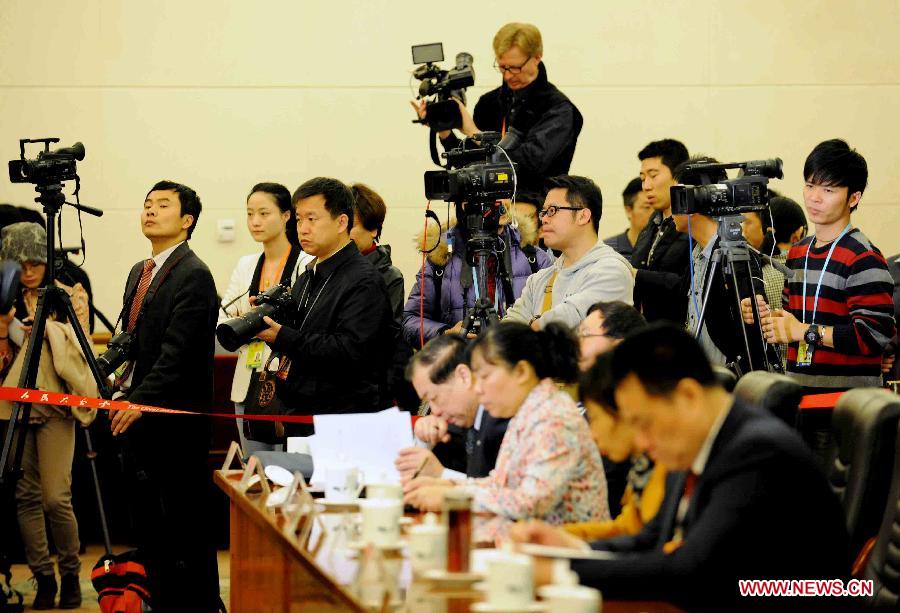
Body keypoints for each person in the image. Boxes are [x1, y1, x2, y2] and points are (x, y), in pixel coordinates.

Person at [510, 325, 850, 610]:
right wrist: (571, 549)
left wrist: (559, 571)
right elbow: (652, 540)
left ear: (687, 396)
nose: (640, 443)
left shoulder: (756, 452)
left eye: (644, 423)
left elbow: (691, 573)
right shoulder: (695, 442)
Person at [746, 140, 895, 465]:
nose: (814, 197)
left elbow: (872, 338)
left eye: (828, 190)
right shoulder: (799, 253)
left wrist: (802, 332)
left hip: (848, 411)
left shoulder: (863, 257)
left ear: (853, 198)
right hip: (801, 401)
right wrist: (765, 318)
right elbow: (791, 319)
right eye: (810, 185)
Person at [108, 180, 221, 610]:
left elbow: (178, 355)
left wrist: (139, 401)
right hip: (137, 417)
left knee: (185, 526)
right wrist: (115, 383)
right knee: (150, 527)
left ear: (187, 220)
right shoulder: (141, 270)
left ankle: (198, 604)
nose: (150, 211)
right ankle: (158, 599)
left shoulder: (194, 274)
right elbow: (131, 340)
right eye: (147, 204)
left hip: (176, 421)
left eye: (163, 205)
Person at [404, 322, 609, 542]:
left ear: (521, 371)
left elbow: (530, 501)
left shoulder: (554, 416)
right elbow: (501, 484)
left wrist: (451, 495)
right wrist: (449, 484)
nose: (478, 388)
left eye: (485, 377)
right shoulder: (529, 411)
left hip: (572, 557)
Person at [0, 222, 94, 610]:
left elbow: (82, 346)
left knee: (56, 497)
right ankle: (43, 578)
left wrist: (47, 329)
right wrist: (6, 329)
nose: (28, 270)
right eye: (19, 262)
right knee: (25, 496)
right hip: (15, 406)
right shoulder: (5, 297)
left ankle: (70, 571)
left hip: (56, 404)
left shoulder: (68, 292)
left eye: (35, 260)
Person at [256, 177, 395, 435]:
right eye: (299, 219)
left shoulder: (364, 280)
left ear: (342, 222)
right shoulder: (309, 274)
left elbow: (349, 350)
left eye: (312, 219)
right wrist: (270, 324)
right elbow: (304, 334)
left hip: (344, 420)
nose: (303, 229)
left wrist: (283, 336)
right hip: (302, 411)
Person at [412, 22, 582, 192]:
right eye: (502, 67)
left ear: (537, 57)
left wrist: (474, 132)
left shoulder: (558, 109)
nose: (508, 75)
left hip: (538, 211)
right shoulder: (489, 103)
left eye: (515, 68)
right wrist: (444, 130)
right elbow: (469, 166)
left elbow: (529, 166)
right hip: (484, 208)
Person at [218, 182, 312, 454]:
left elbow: (305, 320)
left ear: (286, 216)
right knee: (253, 464)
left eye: (263, 213)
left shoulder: (306, 262)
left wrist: (248, 319)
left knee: (291, 464)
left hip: (289, 376)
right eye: (249, 214)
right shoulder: (246, 264)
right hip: (248, 375)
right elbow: (224, 320)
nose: (254, 221)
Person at [402, 199, 550, 347]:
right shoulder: (441, 258)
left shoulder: (534, 258)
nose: (503, 203)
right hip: (461, 362)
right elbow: (411, 320)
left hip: (514, 361)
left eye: (505, 193)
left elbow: (554, 322)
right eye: (494, 196)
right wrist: (445, 334)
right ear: (465, 204)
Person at [673, 157, 772, 371]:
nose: (672, 207)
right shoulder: (695, 253)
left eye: (677, 196)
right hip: (700, 376)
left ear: (696, 200)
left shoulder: (734, 250)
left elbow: (754, 305)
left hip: (732, 380)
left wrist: (753, 306)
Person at [505, 175, 634, 330]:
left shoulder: (612, 271)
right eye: (543, 212)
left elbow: (567, 319)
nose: (544, 219)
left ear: (583, 216)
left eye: (552, 210)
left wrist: (531, 325)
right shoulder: (540, 278)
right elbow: (508, 329)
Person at [563, 353, 667, 542]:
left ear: (624, 409)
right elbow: (627, 529)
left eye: (594, 419)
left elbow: (651, 549)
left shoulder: (671, 463)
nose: (592, 435)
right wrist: (561, 537)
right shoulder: (643, 465)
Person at [394, 334, 508, 481]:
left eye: (434, 398)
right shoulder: (453, 426)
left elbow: (504, 496)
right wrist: (424, 440)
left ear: (464, 376)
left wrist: (440, 474)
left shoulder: (504, 421)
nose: (435, 412)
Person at [631, 139, 691, 323]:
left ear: (678, 176)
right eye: (642, 178)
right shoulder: (652, 224)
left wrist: (636, 275)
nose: (646, 186)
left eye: (653, 175)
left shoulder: (693, 225)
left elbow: (688, 286)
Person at [604, 178, 654, 260]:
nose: (655, 214)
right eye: (647, 207)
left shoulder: (663, 250)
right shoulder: (606, 251)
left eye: (656, 207)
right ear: (629, 210)